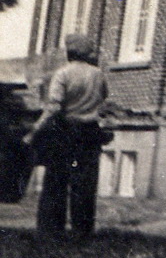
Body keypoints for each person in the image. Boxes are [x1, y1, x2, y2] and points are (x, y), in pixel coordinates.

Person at [23, 34, 110, 238]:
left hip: (64, 132)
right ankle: (82, 231)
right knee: (85, 183)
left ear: (69, 52)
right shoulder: (98, 75)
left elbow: (54, 107)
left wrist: (35, 129)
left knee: (56, 181)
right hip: (90, 133)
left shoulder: (63, 74)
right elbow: (104, 98)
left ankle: (51, 231)